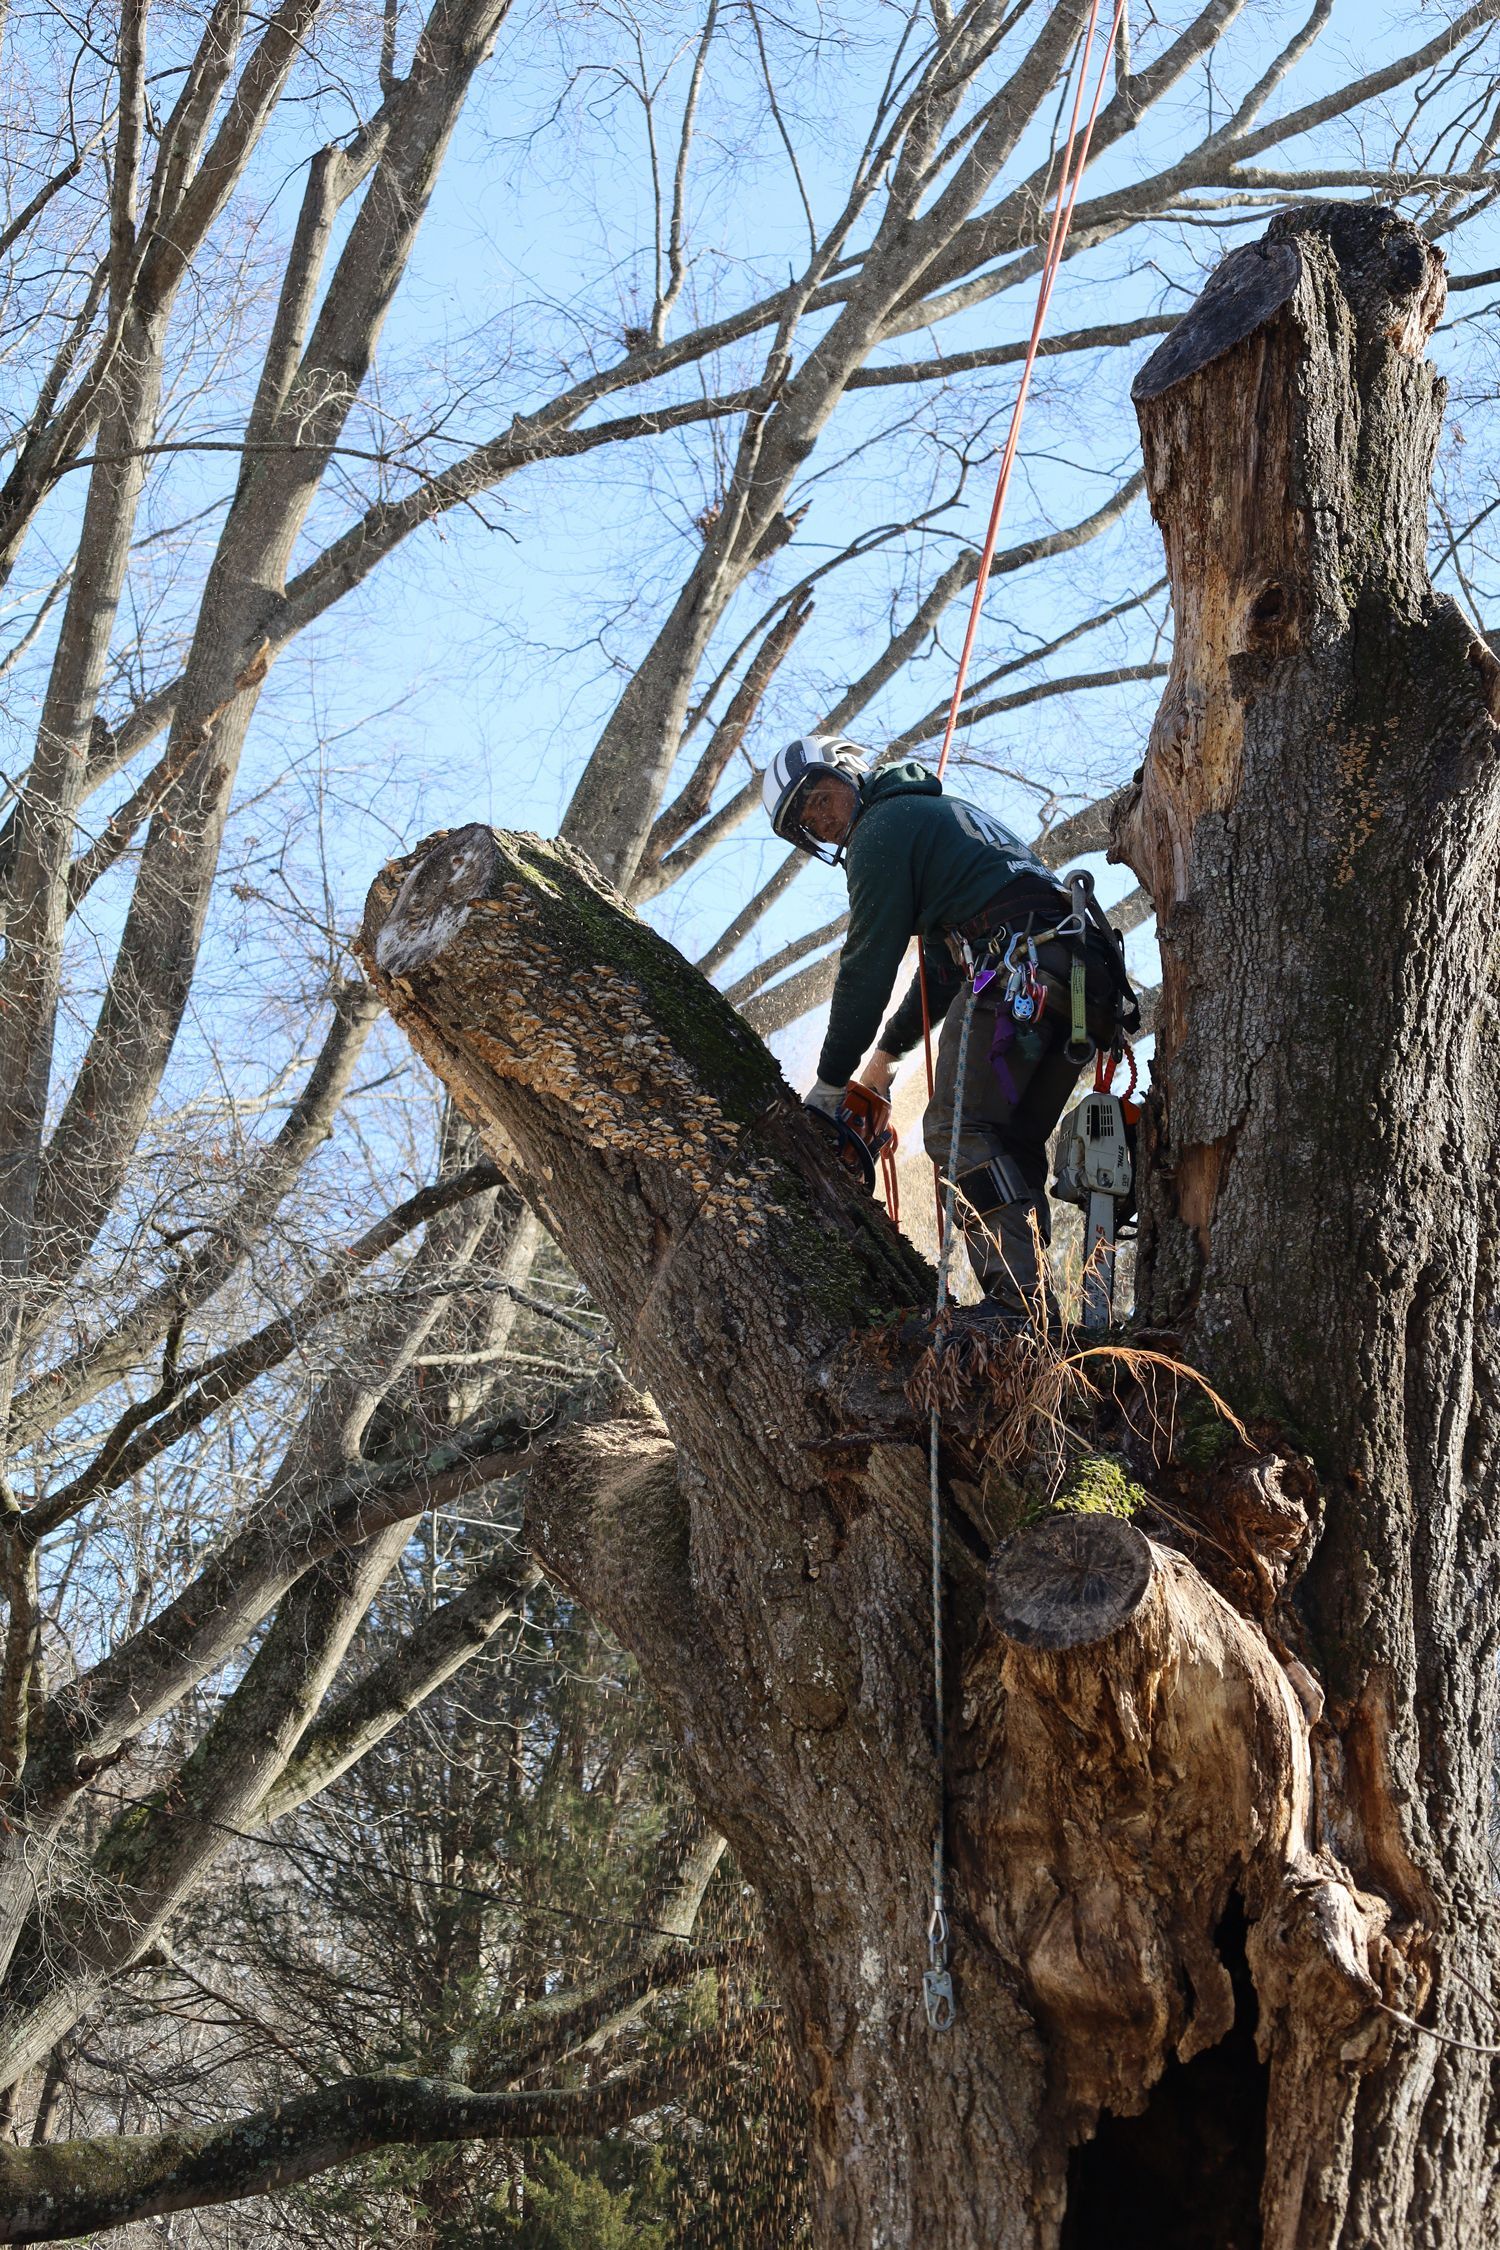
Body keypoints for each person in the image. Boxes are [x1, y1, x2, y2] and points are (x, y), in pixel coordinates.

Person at [761, 734, 1131, 1325]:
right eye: (808, 822)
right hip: (1076, 983)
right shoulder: (933, 822)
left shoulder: (880, 830)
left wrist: (829, 1085)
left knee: (958, 1129)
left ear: (850, 773)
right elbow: (937, 973)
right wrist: (882, 1064)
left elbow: (867, 965)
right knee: (1003, 1144)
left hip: (1023, 970)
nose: (824, 822)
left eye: (823, 799)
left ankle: (1016, 1309)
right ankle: (1035, 1319)